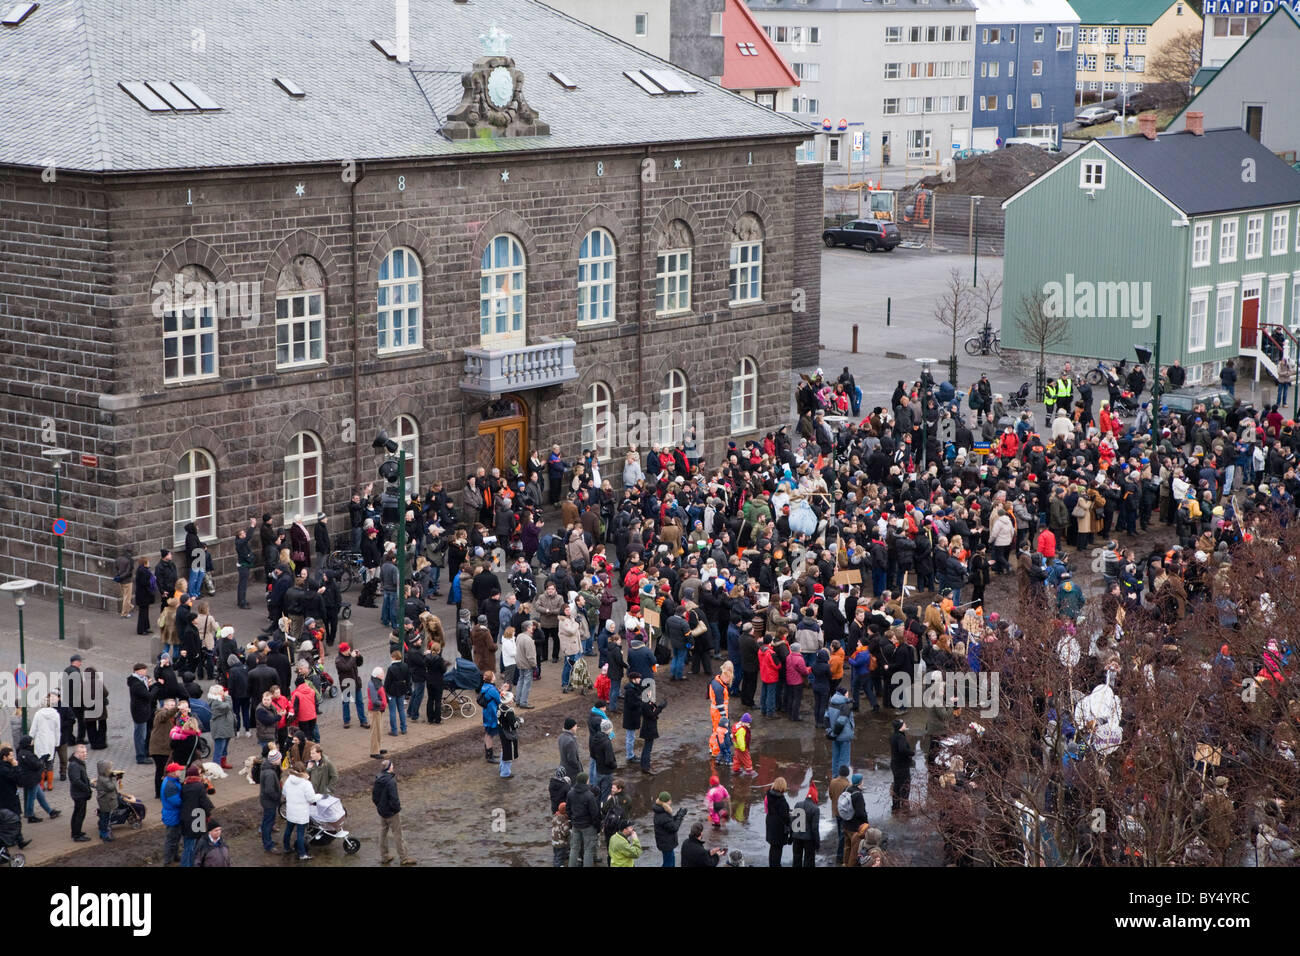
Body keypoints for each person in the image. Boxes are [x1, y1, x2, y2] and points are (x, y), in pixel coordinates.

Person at [372, 758, 416, 865]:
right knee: (398, 835)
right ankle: (404, 858)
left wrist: (380, 807)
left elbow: (374, 797)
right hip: (392, 813)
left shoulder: (378, 779)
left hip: (382, 811)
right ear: (389, 768)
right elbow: (394, 799)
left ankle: (384, 856)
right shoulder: (391, 782)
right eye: (392, 765)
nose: (393, 766)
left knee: (383, 833)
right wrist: (396, 810)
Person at [281, 761, 320, 860]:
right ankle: (302, 854)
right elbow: (311, 799)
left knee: (288, 830)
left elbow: (284, 793)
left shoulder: (289, 780)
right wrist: (319, 796)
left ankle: (286, 848)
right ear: (303, 771)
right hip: (301, 813)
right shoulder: (306, 784)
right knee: (300, 834)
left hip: (290, 811)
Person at [180, 764, 214, 867]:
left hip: (185, 817)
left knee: (188, 845)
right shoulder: (199, 786)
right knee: (194, 845)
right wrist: (209, 812)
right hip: (198, 818)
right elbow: (204, 803)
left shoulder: (184, 786)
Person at [566, 772, 601, 868]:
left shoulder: (570, 793)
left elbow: (568, 809)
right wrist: (597, 826)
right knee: (588, 850)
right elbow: (595, 813)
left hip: (576, 825)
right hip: (588, 826)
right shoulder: (589, 795)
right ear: (585, 781)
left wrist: (572, 819)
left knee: (574, 848)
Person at [825, 685, 855, 779]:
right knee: (844, 760)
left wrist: (830, 732)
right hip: (844, 736)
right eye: (847, 693)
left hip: (835, 736)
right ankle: (842, 780)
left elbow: (826, 718)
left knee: (835, 758)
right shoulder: (844, 706)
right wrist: (835, 733)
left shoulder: (831, 702)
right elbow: (841, 722)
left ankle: (835, 778)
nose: (848, 694)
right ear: (843, 694)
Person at [652, 792, 688, 866]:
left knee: (669, 861)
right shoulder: (663, 814)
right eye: (669, 800)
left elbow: (669, 822)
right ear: (665, 802)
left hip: (665, 843)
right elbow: (674, 827)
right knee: (669, 864)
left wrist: (678, 814)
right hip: (666, 844)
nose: (671, 801)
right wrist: (680, 816)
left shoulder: (661, 810)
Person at [791, 781, 821, 867]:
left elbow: (793, 822)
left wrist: (791, 836)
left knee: (796, 859)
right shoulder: (815, 809)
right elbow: (815, 828)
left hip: (796, 837)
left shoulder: (797, 804)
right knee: (809, 860)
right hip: (809, 839)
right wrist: (817, 842)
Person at [159, 762, 184, 865]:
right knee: (171, 839)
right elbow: (177, 802)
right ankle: (168, 860)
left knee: (176, 837)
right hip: (173, 815)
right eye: (179, 770)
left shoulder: (170, 781)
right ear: (173, 773)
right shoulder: (170, 786)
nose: (181, 771)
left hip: (173, 814)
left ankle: (174, 856)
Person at [765, 776, 792, 868]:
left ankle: (772, 864)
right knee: (778, 848)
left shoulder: (769, 795)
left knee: (773, 847)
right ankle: (776, 865)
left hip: (770, 823)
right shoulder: (782, 801)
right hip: (778, 827)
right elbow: (785, 817)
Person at [67, 744, 92, 843]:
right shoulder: (75, 765)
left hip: (79, 793)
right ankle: (76, 835)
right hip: (79, 794)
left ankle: (76, 832)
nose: (85, 754)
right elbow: (76, 780)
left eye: (85, 752)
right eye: (82, 752)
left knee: (78, 813)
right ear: (76, 753)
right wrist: (86, 788)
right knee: (79, 814)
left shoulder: (78, 763)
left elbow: (82, 777)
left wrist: (89, 782)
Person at [259, 747, 282, 853]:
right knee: (268, 823)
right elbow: (269, 790)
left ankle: (268, 841)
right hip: (269, 802)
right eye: (279, 759)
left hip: (266, 800)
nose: (280, 760)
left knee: (267, 822)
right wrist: (277, 797)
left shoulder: (267, 768)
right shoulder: (270, 773)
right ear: (275, 760)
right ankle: (268, 844)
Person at [890, 718, 914, 813]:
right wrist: (911, 753)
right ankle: (904, 806)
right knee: (905, 785)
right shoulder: (900, 737)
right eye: (904, 724)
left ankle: (895, 806)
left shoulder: (894, 736)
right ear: (900, 727)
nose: (905, 725)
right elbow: (902, 749)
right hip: (902, 765)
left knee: (897, 785)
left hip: (895, 764)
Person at [498, 691, 523, 778]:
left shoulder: (500, 706)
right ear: (508, 701)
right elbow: (514, 725)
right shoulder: (509, 711)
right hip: (508, 733)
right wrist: (519, 722)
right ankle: (505, 773)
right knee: (509, 753)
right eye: (512, 698)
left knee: (504, 750)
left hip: (502, 731)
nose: (513, 699)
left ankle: (501, 768)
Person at [93, 759, 118, 842]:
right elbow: (111, 787)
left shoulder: (102, 777)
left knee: (104, 817)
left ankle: (102, 832)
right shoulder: (104, 780)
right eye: (109, 769)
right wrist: (114, 779)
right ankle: (105, 835)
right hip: (106, 802)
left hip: (104, 801)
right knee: (105, 819)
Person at [480, 670, 502, 764]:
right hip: (492, 714)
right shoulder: (492, 689)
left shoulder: (485, 687)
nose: (495, 676)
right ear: (492, 679)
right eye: (493, 675)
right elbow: (499, 700)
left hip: (487, 713)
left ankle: (489, 753)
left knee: (488, 733)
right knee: (490, 735)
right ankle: (489, 756)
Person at [367, 666, 388, 759]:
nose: (383, 675)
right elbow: (374, 700)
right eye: (381, 674)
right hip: (375, 710)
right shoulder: (373, 684)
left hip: (378, 710)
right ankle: (374, 751)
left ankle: (378, 748)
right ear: (377, 675)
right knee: (375, 731)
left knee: (378, 730)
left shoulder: (376, 682)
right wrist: (383, 703)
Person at [550, 802, 571, 867]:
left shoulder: (555, 816)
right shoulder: (564, 820)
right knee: (560, 858)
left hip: (554, 841)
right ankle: (559, 865)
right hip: (561, 843)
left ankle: (555, 864)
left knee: (556, 855)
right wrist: (570, 832)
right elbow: (565, 832)